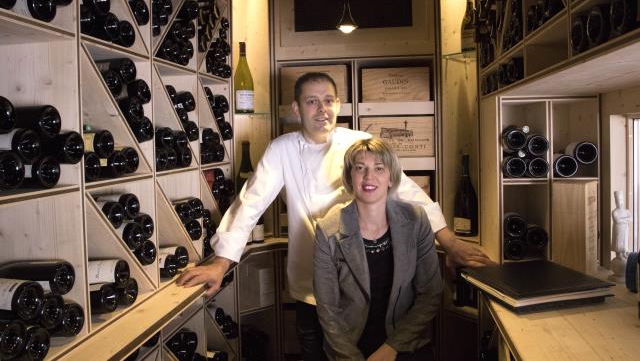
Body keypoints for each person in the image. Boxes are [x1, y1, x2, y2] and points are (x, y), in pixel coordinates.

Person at [177, 72, 490, 360]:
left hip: (362, 284)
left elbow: (406, 192)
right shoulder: (282, 149)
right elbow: (251, 203)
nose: (322, 109)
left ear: (338, 104)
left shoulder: (357, 144)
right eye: (312, 101)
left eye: (328, 100)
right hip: (311, 290)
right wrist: (221, 263)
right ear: (297, 109)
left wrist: (450, 243)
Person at [314, 138, 441, 360]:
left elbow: (430, 294)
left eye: (379, 168)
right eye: (360, 168)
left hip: (405, 343)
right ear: (350, 177)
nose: (369, 177)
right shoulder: (327, 231)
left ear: (391, 177)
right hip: (350, 347)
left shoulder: (416, 220)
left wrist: (391, 347)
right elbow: (328, 310)